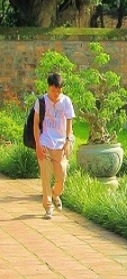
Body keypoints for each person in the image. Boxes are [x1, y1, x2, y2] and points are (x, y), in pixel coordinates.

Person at [34, 72, 75, 220]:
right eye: (53, 90)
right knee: (46, 176)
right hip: (45, 142)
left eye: (59, 90)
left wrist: (68, 141)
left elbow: (69, 124)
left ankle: (56, 193)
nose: (56, 93)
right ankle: (48, 206)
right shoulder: (41, 102)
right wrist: (38, 144)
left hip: (60, 144)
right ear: (48, 87)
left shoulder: (66, 102)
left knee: (61, 176)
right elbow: (36, 124)